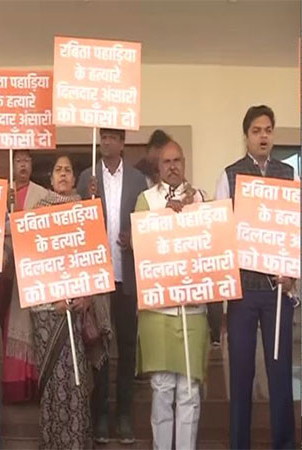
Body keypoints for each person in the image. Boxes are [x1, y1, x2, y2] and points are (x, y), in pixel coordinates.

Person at [215, 105, 297, 450]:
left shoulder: (289, 174)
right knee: (242, 376)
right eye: (256, 131)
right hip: (242, 293)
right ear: (246, 136)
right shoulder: (229, 175)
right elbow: (220, 232)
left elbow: (296, 229)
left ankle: (284, 444)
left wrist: (293, 273)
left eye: (268, 130)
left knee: (280, 377)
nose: (263, 136)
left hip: (279, 291)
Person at [31, 153, 111, 450]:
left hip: (77, 311)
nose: (63, 174)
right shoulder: (38, 212)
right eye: (57, 170)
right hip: (47, 314)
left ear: (74, 178)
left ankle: (76, 443)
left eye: (68, 170)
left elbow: (95, 259)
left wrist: (87, 295)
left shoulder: (86, 211)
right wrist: (52, 302)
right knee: (53, 382)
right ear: (50, 178)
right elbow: (33, 264)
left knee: (77, 384)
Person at [135, 139, 209, 450]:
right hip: (158, 312)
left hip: (192, 311)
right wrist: (164, 218)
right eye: (167, 161)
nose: (173, 166)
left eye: (178, 160)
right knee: (163, 389)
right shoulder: (146, 200)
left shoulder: (202, 199)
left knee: (189, 392)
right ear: (158, 167)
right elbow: (141, 248)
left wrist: (194, 211)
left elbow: (212, 244)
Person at [76, 128, 148, 444]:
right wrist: (85, 198)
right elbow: (75, 220)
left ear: (122, 142)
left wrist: (136, 239)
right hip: (98, 278)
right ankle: (101, 415)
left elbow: (148, 225)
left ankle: (124, 416)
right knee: (100, 349)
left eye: (111, 137)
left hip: (127, 276)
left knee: (128, 349)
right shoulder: (86, 177)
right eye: (102, 137)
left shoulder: (137, 180)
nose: (105, 142)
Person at [0, 150, 48, 403]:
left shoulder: (43, 195)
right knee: (8, 326)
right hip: (6, 273)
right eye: (18, 161)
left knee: (31, 326)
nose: (22, 165)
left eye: (27, 161)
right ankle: (14, 387)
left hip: (32, 271)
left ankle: (33, 384)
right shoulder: (3, 192)